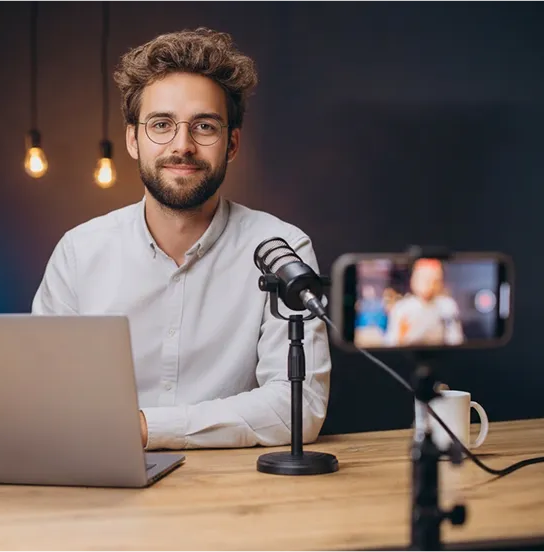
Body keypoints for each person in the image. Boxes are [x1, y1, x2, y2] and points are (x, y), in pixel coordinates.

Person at [32, 28, 331, 451]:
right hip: (103, 487)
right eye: (161, 125)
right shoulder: (80, 253)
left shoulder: (283, 248)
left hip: (238, 496)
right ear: (133, 140)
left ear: (232, 143)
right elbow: (45, 397)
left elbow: (298, 407)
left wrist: (144, 428)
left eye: (204, 126)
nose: (183, 146)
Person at [384, 259, 464, 347]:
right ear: (413, 280)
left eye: (434, 280)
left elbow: (455, 339)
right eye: (424, 279)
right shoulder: (402, 308)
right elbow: (392, 341)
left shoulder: (447, 306)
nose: (429, 284)